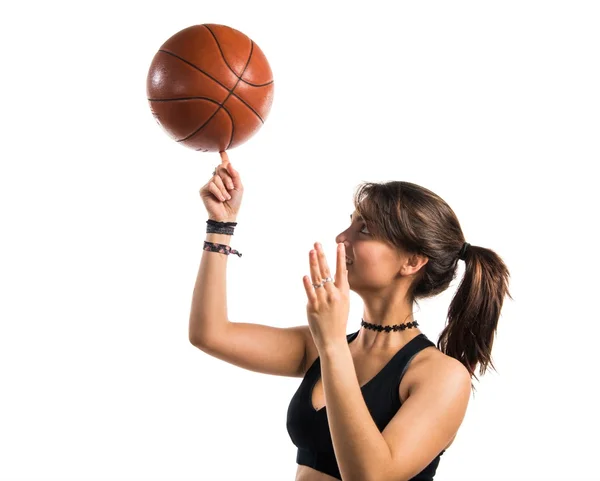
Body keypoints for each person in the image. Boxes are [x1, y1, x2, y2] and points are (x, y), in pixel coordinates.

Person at [189, 151, 512, 481]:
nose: (342, 238)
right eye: (351, 223)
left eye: (365, 229)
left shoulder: (441, 376)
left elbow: (370, 477)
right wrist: (221, 225)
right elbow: (209, 333)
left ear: (412, 262)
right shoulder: (320, 346)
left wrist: (331, 343)